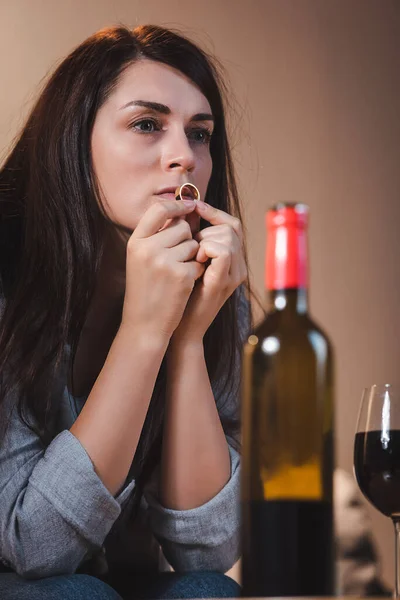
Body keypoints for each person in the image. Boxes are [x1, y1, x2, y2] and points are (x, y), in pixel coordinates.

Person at [0, 24, 251, 600]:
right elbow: (34, 548)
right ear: (73, 140)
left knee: (208, 591)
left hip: (117, 583)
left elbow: (209, 551)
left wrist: (185, 340)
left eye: (200, 133)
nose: (183, 156)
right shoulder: (9, 276)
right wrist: (143, 331)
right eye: (146, 124)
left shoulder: (214, 288)